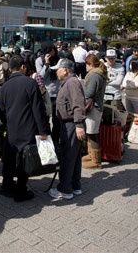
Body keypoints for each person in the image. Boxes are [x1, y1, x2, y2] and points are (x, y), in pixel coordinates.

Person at [0, 55, 50, 202]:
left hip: (11, 128)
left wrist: (7, 123)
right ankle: (20, 190)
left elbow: (1, 111)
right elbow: (38, 110)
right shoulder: (30, 83)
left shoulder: (4, 87)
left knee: (8, 159)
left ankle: (6, 185)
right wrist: (43, 131)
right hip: (27, 128)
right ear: (22, 67)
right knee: (23, 161)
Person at [49, 59, 85, 200]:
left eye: (58, 69)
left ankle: (65, 189)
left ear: (65, 69)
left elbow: (78, 104)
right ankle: (75, 186)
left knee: (68, 157)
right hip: (69, 124)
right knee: (74, 157)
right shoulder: (69, 82)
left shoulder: (72, 82)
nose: (56, 71)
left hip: (71, 124)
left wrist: (79, 124)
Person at [81, 54, 107, 170]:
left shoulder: (94, 75)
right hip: (96, 107)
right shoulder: (98, 74)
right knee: (90, 133)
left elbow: (89, 93)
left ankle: (96, 161)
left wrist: (82, 86)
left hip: (94, 108)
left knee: (92, 134)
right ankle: (91, 154)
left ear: (90, 64)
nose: (86, 67)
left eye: (87, 64)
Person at [35, 42, 61, 144]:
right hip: (45, 94)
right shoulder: (39, 60)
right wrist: (46, 63)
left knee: (56, 119)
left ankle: (55, 140)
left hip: (57, 93)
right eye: (50, 51)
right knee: (45, 118)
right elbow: (40, 76)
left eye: (54, 50)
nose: (53, 52)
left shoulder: (58, 59)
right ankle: (47, 140)